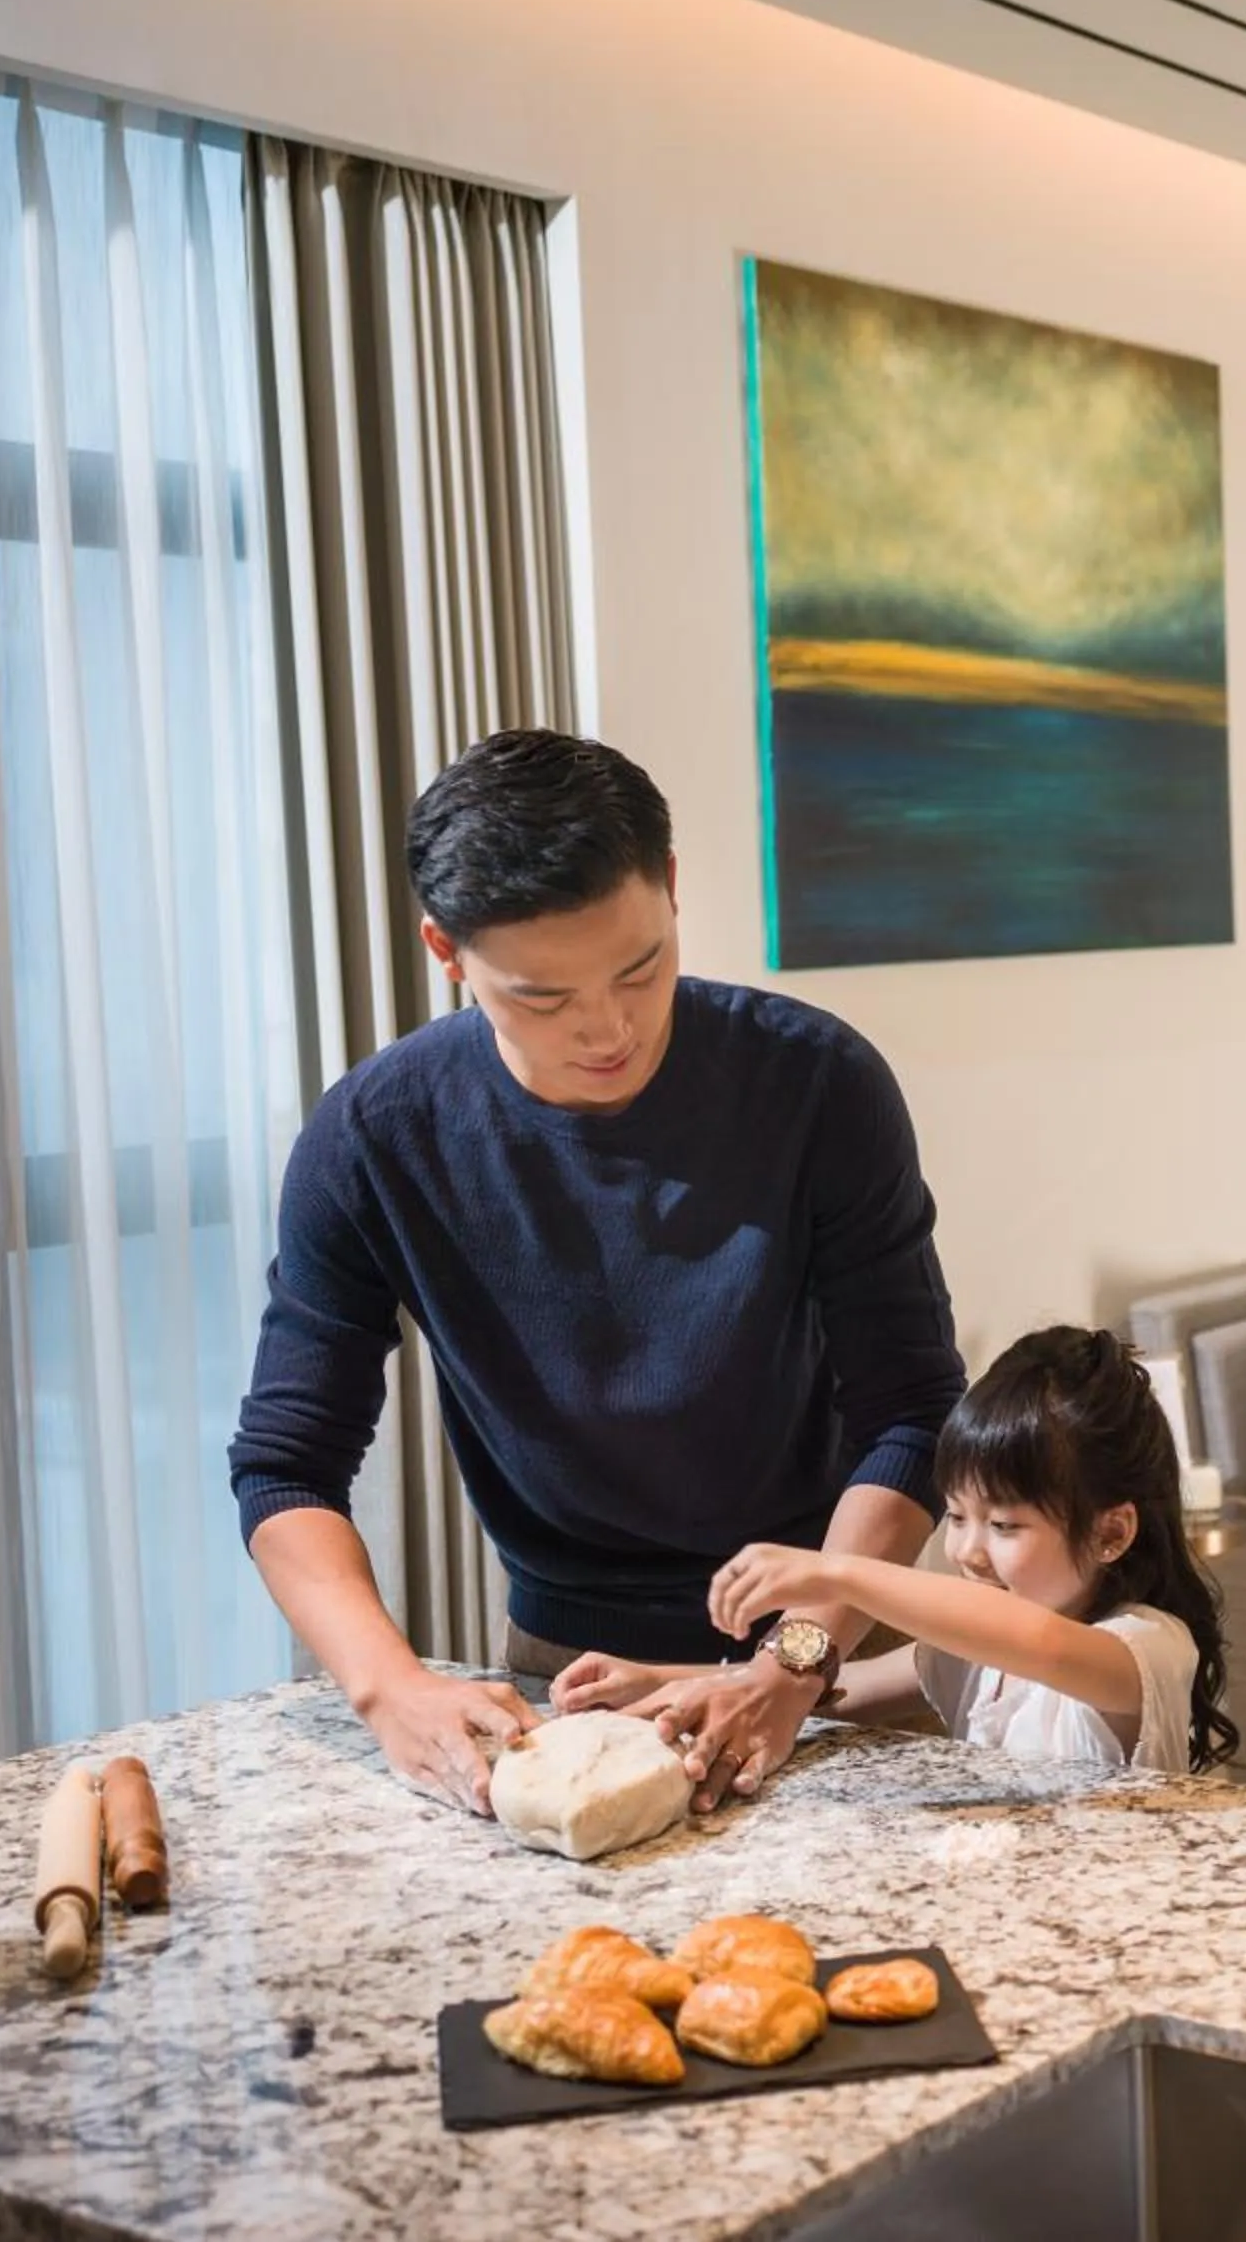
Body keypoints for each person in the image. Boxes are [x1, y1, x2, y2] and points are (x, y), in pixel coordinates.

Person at [228, 728, 966, 1819]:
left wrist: (793, 1660)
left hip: (834, 1647)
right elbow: (286, 1466)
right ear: (448, 951)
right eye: (541, 997)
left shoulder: (817, 1085)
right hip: (566, 1675)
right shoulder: (378, 1135)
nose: (610, 1028)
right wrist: (391, 1688)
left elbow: (911, 1412)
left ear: (670, 888)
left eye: (641, 967)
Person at [581, 1327, 1235, 1775]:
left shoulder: (1146, 1648)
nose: (967, 1552)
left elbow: (1037, 1642)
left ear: (1113, 1532)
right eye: (955, 1516)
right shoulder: (968, 1655)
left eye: (1004, 1527)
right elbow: (827, 1691)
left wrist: (836, 1573)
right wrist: (662, 1680)